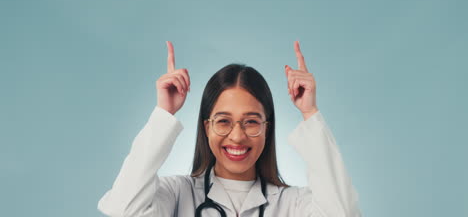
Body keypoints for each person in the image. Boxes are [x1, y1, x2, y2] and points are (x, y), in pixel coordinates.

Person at [97, 41, 362, 217]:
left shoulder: (291, 204)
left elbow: (342, 212)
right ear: (206, 127)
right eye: (223, 121)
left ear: (267, 129)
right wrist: (163, 115)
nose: (237, 136)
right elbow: (124, 208)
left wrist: (310, 113)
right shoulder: (178, 195)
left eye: (251, 122)